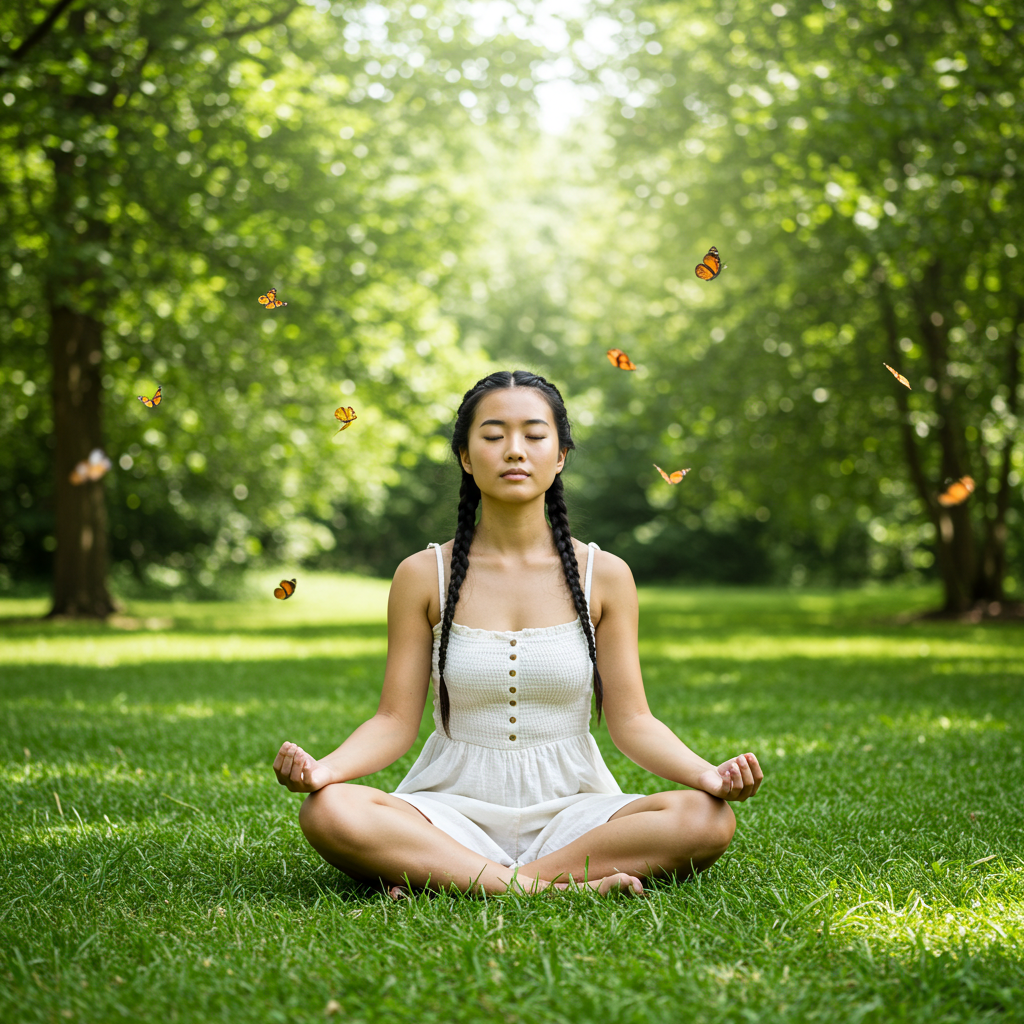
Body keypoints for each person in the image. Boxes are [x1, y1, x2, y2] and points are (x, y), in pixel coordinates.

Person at [273, 370, 763, 897]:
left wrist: (707, 776)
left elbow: (634, 722)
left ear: (560, 456)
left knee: (706, 819)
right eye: (492, 435)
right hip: (448, 810)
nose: (514, 451)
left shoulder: (607, 575)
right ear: (465, 455)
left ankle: (449, 877)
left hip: (575, 813)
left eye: (533, 435)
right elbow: (393, 722)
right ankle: (545, 888)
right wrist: (324, 771)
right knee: (329, 810)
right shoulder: (423, 574)